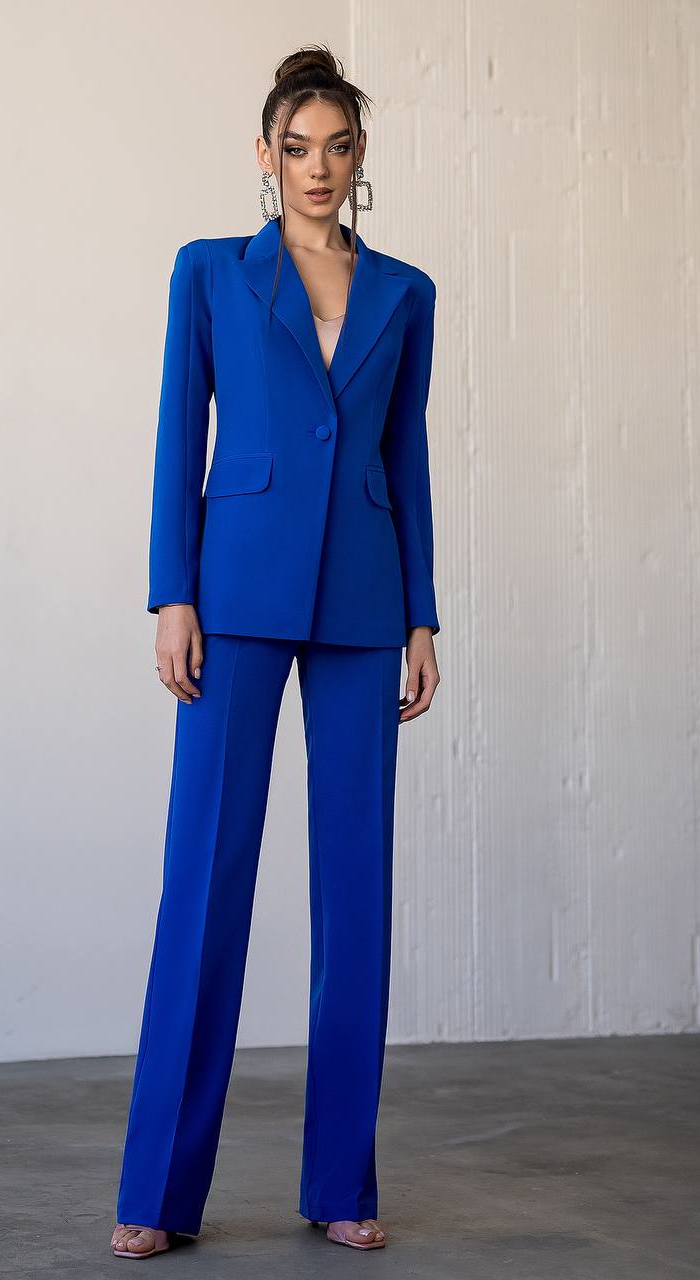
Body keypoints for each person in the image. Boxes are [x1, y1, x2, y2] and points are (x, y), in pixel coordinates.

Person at [111, 43, 442, 1260]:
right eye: (295, 147)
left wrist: (421, 611)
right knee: (203, 886)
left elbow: (402, 458)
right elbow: (171, 436)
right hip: (234, 592)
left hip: (363, 602)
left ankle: (340, 1179)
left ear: (360, 160)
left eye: (337, 147)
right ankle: (155, 1189)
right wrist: (170, 593)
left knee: (355, 893)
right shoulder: (208, 276)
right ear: (264, 156)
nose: (317, 167)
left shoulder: (405, 292)